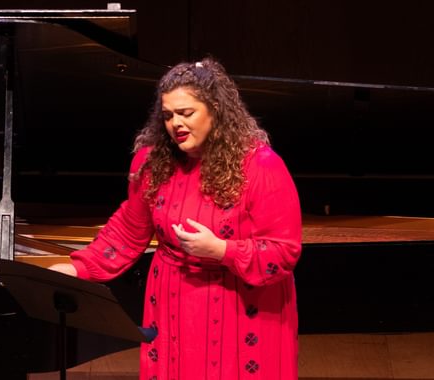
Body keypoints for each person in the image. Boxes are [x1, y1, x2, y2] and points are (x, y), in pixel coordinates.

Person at [51, 58, 302, 379]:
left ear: (216, 110)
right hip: (175, 303)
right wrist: (78, 268)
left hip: (241, 307)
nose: (175, 124)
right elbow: (129, 229)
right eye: (168, 115)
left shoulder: (260, 166)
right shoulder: (153, 162)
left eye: (186, 113)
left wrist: (222, 250)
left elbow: (283, 252)